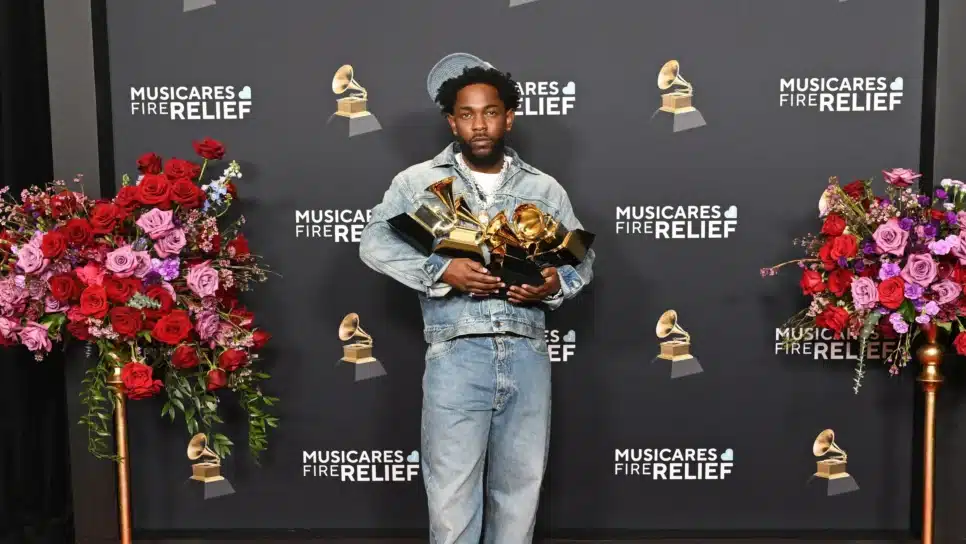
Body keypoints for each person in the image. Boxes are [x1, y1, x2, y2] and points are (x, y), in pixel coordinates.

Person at [358, 53, 595, 544]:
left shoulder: (543, 188)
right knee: (452, 496)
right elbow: (374, 243)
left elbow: (580, 260)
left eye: (490, 112)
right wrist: (442, 270)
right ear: (452, 121)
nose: (479, 125)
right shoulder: (417, 183)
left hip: (527, 352)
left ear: (509, 118)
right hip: (456, 352)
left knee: (520, 491)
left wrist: (553, 284)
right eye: (466, 114)